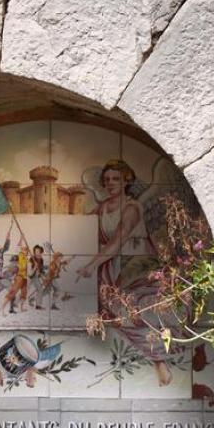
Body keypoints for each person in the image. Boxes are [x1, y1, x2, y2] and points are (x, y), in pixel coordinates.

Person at [76, 159, 177, 386]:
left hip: (137, 264)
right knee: (113, 313)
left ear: (125, 181)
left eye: (116, 179)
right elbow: (81, 228)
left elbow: (117, 241)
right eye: (107, 179)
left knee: (135, 312)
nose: (110, 183)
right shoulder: (102, 208)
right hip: (111, 266)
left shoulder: (132, 207)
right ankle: (154, 358)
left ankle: (159, 360)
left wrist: (91, 265)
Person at [28, 244, 46, 310]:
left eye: (39, 251)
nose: (37, 253)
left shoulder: (41, 260)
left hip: (35, 277)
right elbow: (29, 273)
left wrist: (43, 277)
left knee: (40, 289)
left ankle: (38, 305)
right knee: (25, 290)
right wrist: (35, 267)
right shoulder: (31, 259)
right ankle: (15, 303)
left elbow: (41, 270)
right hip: (29, 276)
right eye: (36, 251)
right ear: (34, 252)